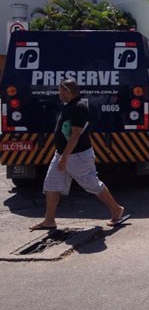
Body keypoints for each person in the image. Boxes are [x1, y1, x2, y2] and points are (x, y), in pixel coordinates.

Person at [30, 78, 127, 231]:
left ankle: (116, 209)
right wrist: (61, 156)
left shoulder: (79, 107)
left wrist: (64, 158)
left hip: (77, 155)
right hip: (62, 153)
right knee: (51, 184)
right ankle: (49, 220)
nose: (58, 93)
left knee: (92, 184)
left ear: (67, 91)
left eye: (60, 90)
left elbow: (75, 135)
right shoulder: (69, 106)